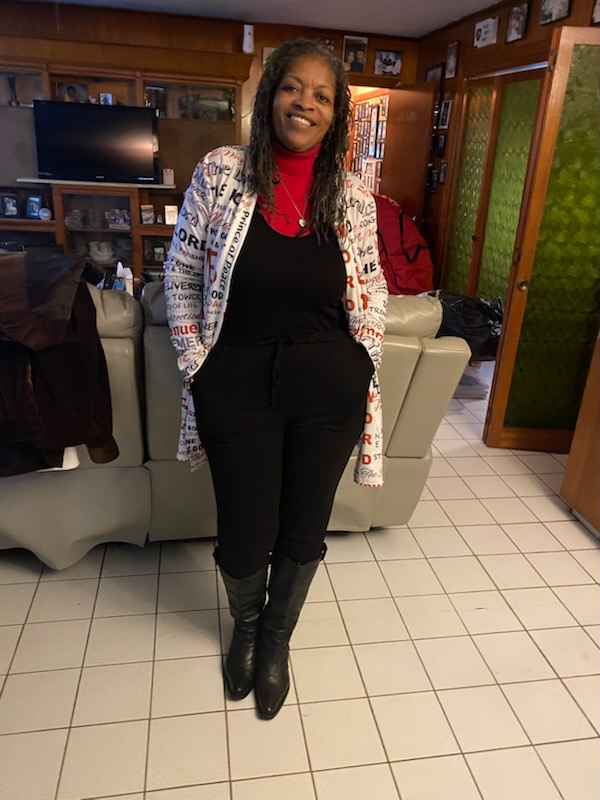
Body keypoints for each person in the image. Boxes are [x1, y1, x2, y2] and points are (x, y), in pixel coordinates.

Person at [164, 38, 387, 720]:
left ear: (335, 114)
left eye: (322, 95)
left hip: (328, 386)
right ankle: (247, 627)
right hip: (237, 379)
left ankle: (276, 641)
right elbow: (182, 273)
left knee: (303, 527)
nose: (305, 103)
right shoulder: (221, 173)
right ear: (270, 96)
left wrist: (363, 362)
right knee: (244, 531)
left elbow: (373, 286)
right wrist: (199, 366)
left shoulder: (352, 196)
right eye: (294, 87)